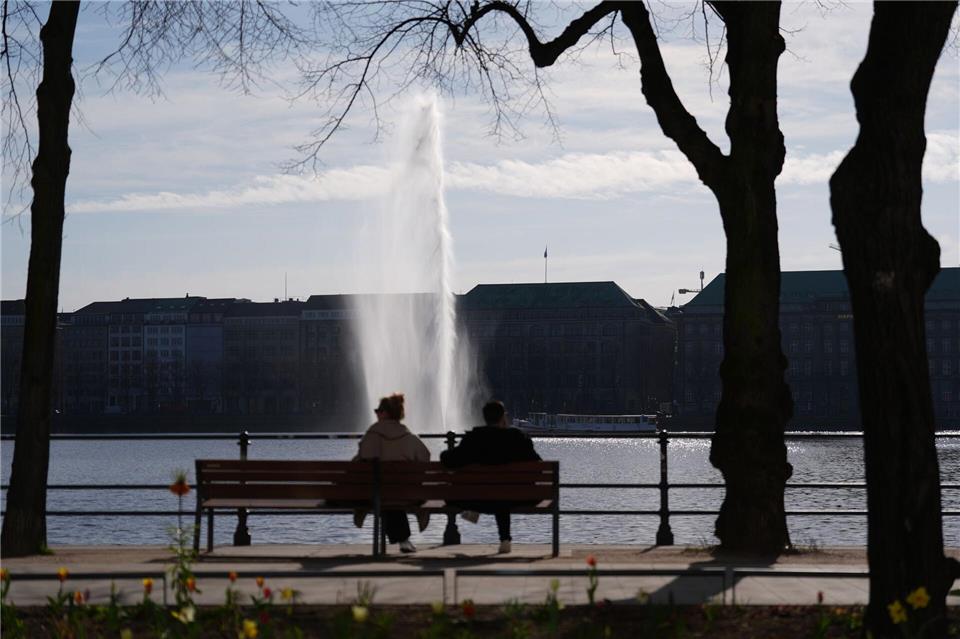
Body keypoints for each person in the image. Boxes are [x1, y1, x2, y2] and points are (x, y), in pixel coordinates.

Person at [440, 400, 541, 553]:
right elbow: (538, 466)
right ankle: (505, 539)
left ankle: (473, 512)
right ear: (503, 417)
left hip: (479, 499)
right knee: (502, 495)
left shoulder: (473, 438)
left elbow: (448, 460)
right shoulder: (517, 438)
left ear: (485, 418)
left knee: (484, 493)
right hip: (516, 497)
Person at [354, 393, 430, 553]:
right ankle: (405, 538)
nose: (376, 413)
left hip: (372, 494)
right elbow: (425, 458)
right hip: (406, 494)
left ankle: (361, 509)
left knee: (383, 492)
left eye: (378, 410)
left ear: (386, 413)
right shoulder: (409, 438)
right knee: (392, 494)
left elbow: (359, 461)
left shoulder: (372, 434)